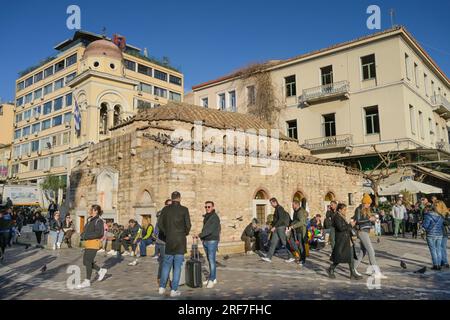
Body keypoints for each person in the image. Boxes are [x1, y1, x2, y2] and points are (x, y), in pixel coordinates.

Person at [158, 191, 191, 297]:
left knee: (166, 265)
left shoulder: (165, 209)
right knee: (177, 266)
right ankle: (174, 290)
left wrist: (167, 233)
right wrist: (184, 233)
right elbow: (188, 225)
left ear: (172, 199)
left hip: (169, 240)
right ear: (179, 198)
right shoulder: (184, 210)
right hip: (180, 241)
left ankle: (162, 287)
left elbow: (160, 224)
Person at [353, 194, 386, 279]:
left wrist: (378, 217)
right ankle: (376, 272)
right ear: (364, 202)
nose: (369, 205)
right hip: (361, 231)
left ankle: (352, 268)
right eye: (368, 203)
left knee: (362, 252)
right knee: (371, 251)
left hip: (366, 231)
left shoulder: (367, 210)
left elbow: (369, 222)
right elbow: (358, 221)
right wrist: (369, 219)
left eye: (369, 203)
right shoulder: (359, 209)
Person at [326, 203, 362, 280]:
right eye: (344, 210)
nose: (345, 211)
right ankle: (331, 269)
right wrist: (350, 225)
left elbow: (345, 227)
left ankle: (352, 273)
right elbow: (340, 228)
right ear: (340, 210)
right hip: (341, 240)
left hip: (347, 239)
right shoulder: (336, 217)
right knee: (339, 257)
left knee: (351, 256)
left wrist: (351, 226)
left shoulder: (342, 216)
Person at [77, 204, 107, 289]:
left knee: (88, 261)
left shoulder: (99, 221)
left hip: (94, 243)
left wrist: (86, 236)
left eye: (91, 209)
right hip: (88, 243)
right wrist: (82, 235)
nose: (89, 211)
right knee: (85, 262)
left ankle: (87, 281)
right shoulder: (90, 219)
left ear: (96, 211)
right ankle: (101, 271)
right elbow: (85, 230)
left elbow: (99, 233)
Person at [261, 198, 295, 263]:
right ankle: (268, 257)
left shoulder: (280, 208)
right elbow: (276, 220)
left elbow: (281, 219)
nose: (271, 205)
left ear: (274, 202)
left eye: (271, 203)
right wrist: (273, 226)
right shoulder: (277, 209)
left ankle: (291, 256)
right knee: (273, 242)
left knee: (284, 242)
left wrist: (275, 227)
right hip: (277, 228)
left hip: (281, 228)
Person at [198, 201, 221, 288]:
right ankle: (213, 278)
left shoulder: (215, 217)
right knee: (209, 260)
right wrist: (202, 237)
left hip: (212, 241)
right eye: (206, 207)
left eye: (209, 207)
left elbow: (210, 230)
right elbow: (205, 229)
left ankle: (211, 280)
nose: (207, 208)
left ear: (212, 207)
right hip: (206, 240)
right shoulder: (206, 217)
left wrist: (199, 235)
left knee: (211, 260)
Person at [422, 203, 444, 270]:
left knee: (433, 250)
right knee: (439, 249)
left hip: (431, 234)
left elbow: (425, 225)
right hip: (439, 234)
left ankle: (435, 265)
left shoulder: (428, 216)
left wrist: (422, 228)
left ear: (429, 209)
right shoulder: (440, 216)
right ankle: (439, 265)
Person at [289, 200, 308, 265]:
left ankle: (303, 260)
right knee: (299, 245)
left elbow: (302, 222)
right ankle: (301, 258)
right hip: (297, 231)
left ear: (297, 204)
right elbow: (295, 220)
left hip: (301, 231)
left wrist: (293, 226)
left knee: (301, 246)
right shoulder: (295, 212)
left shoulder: (300, 212)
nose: (292, 206)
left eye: (293, 205)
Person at [438, 201, 450, 269]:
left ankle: (444, 262)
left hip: (443, 233)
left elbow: (448, 223)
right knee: (440, 248)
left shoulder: (445, 213)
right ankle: (442, 262)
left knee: (441, 248)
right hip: (439, 233)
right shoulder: (437, 213)